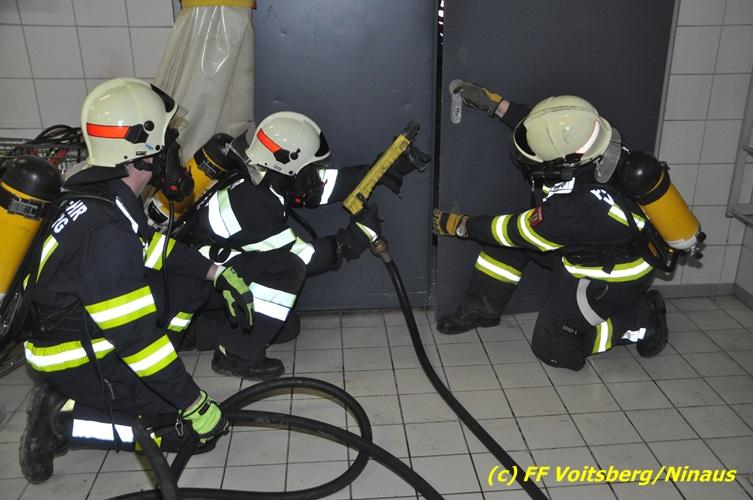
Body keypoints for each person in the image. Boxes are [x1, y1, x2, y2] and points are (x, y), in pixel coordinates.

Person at [19, 78, 255, 483]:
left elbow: (149, 247)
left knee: (192, 283)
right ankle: (60, 420)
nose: (172, 153)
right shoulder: (107, 233)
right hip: (73, 356)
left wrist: (217, 272)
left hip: (82, 324)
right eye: (166, 142)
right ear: (140, 152)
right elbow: (136, 339)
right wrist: (192, 402)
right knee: (184, 433)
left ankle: (149, 379)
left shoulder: (99, 189)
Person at [433, 82, 668, 371]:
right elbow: (553, 134)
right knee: (505, 243)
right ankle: (482, 310)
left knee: (556, 350)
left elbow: (515, 230)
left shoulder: (578, 208)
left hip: (609, 275)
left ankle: (641, 318)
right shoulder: (598, 140)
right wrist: (496, 105)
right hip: (587, 243)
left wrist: (461, 225)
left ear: (565, 163)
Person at [188, 111, 429, 379]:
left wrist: (380, 172)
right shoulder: (253, 204)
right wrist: (353, 239)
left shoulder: (263, 176)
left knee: (287, 327)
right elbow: (301, 259)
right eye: (309, 168)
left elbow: (320, 188)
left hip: (214, 274)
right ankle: (236, 355)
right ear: (287, 166)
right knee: (288, 270)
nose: (313, 175)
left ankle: (194, 331)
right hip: (204, 280)